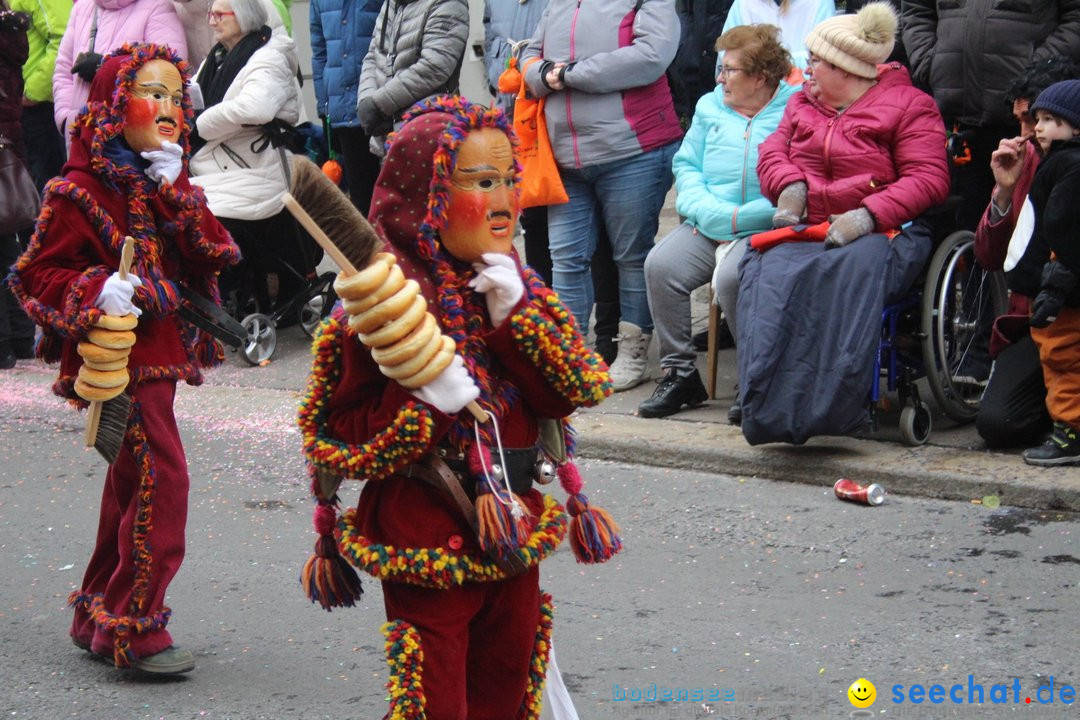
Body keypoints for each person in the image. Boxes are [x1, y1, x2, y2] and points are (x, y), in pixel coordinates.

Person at [298, 96, 617, 718]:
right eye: (478, 182)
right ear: (427, 197)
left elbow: (569, 392)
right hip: (425, 527)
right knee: (436, 699)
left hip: (513, 520)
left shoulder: (516, 285)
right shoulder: (376, 311)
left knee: (507, 682)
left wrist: (513, 320)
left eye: (508, 179)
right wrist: (424, 401)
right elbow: (334, 437)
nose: (502, 200)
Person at [7, 43, 239, 673]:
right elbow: (35, 276)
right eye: (151, 93)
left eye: (174, 96)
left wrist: (174, 191)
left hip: (161, 355)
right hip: (117, 359)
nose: (167, 108)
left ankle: (96, 613)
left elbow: (215, 254)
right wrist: (94, 288)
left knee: (130, 482)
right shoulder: (77, 190)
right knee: (163, 481)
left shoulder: (167, 175)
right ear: (114, 106)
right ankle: (133, 628)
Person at [738, 2, 950, 445]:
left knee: (839, 276)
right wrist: (791, 186)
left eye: (814, 61)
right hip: (810, 225)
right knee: (763, 270)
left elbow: (929, 179)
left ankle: (830, 408)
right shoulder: (801, 104)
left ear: (846, 68)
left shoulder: (911, 106)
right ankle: (768, 401)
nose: (806, 68)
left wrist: (868, 213)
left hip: (883, 231)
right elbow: (771, 154)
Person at [522, 0, 683, 392]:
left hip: (632, 149)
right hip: (564, 156)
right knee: (566, 256)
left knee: (630, 255)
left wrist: (570, 75)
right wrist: (542, 73)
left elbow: (651, 56)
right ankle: (571, 353)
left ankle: (632, 352)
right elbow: (528, 52)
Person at [640, 24, 797, 418]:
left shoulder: (796, 110)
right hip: (710, 221)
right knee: (660, 266)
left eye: (730, 69)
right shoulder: (710, 106)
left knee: (734, 278)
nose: (720, 77)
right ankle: (680, 375)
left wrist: (744, 218)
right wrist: (715, 213)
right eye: (721, 68)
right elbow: (687, 167)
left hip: (764, 226)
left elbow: (798, 183)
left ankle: (755, 378)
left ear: (760, 77)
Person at [901, 0, 1080, 232]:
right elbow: (916, 9)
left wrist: (1035, 69)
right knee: (968, 224)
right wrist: (929, 63)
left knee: (1037, 221)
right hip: (957, 112)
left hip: (1030, 114)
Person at [973, 58, 1076, 449]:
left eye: (1039, 120)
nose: (1027, 133)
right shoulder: (1025, 160)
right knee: (1000, 423)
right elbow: (988, 256)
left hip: (1071, 307)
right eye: (1021, 121)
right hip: (1037, 318)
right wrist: (1003, 191)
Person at [188, 0, 305, 316]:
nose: (211, 21)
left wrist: (199, 123)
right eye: (210, 13)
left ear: (245, 15)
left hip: (259, 169)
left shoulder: (270, 57)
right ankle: (227, 291)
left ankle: (232, 292)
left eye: (219, 14)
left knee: (197, 211)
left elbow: (255, 108)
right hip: (223, 165)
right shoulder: (216, 58)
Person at [997, 81, 1080, 465]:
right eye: (1038, 119)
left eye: (1050, 120)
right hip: (1050, 288)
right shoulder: (1054, 163)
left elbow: (1066, 230)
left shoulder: (1069, 166)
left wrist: (1056, 281)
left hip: (1061, 292)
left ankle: (1071, 433)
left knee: (1062, 357)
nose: (1039, 127)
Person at [483, 0, 552, 286]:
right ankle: (542, 300)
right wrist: (494, 77)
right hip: (514, 117)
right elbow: (491, 38)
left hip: (551, 112)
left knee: (567, 221)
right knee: (531, 218)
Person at [53, 0, 188, 142]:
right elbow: (63, 69)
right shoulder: (82, 7)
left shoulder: (157, 6)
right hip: (79, 137)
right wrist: (65, 119)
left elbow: (168, 74)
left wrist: (105, 66)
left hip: (130, 142)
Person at [355, 0, 469, 152]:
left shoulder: (448, 3)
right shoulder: (390, 3)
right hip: (387, 137)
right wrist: (366, 101)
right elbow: (372, 56)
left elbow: (435, 67)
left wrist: (379, 105)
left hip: (429, 137)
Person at [310, 0, 381, 212]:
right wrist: (325, 108)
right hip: (343, 112)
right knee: (361, 202)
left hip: (382, 106)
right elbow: (319, 52)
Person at [0, 0, 34, 370]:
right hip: (9, 144)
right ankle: (20, 338)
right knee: (7, 244)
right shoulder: (9, 30)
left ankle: (6, 343)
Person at [10, 0, 69, 191]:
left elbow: (64, 38)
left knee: (43, 185)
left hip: (38, 107)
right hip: (14, 104)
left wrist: (33, 92)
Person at [718, 0, 834, 70]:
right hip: (752, 96)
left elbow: (823, 61)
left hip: (804, 96)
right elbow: (727, 57)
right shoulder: (744, 4)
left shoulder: (819, 3)